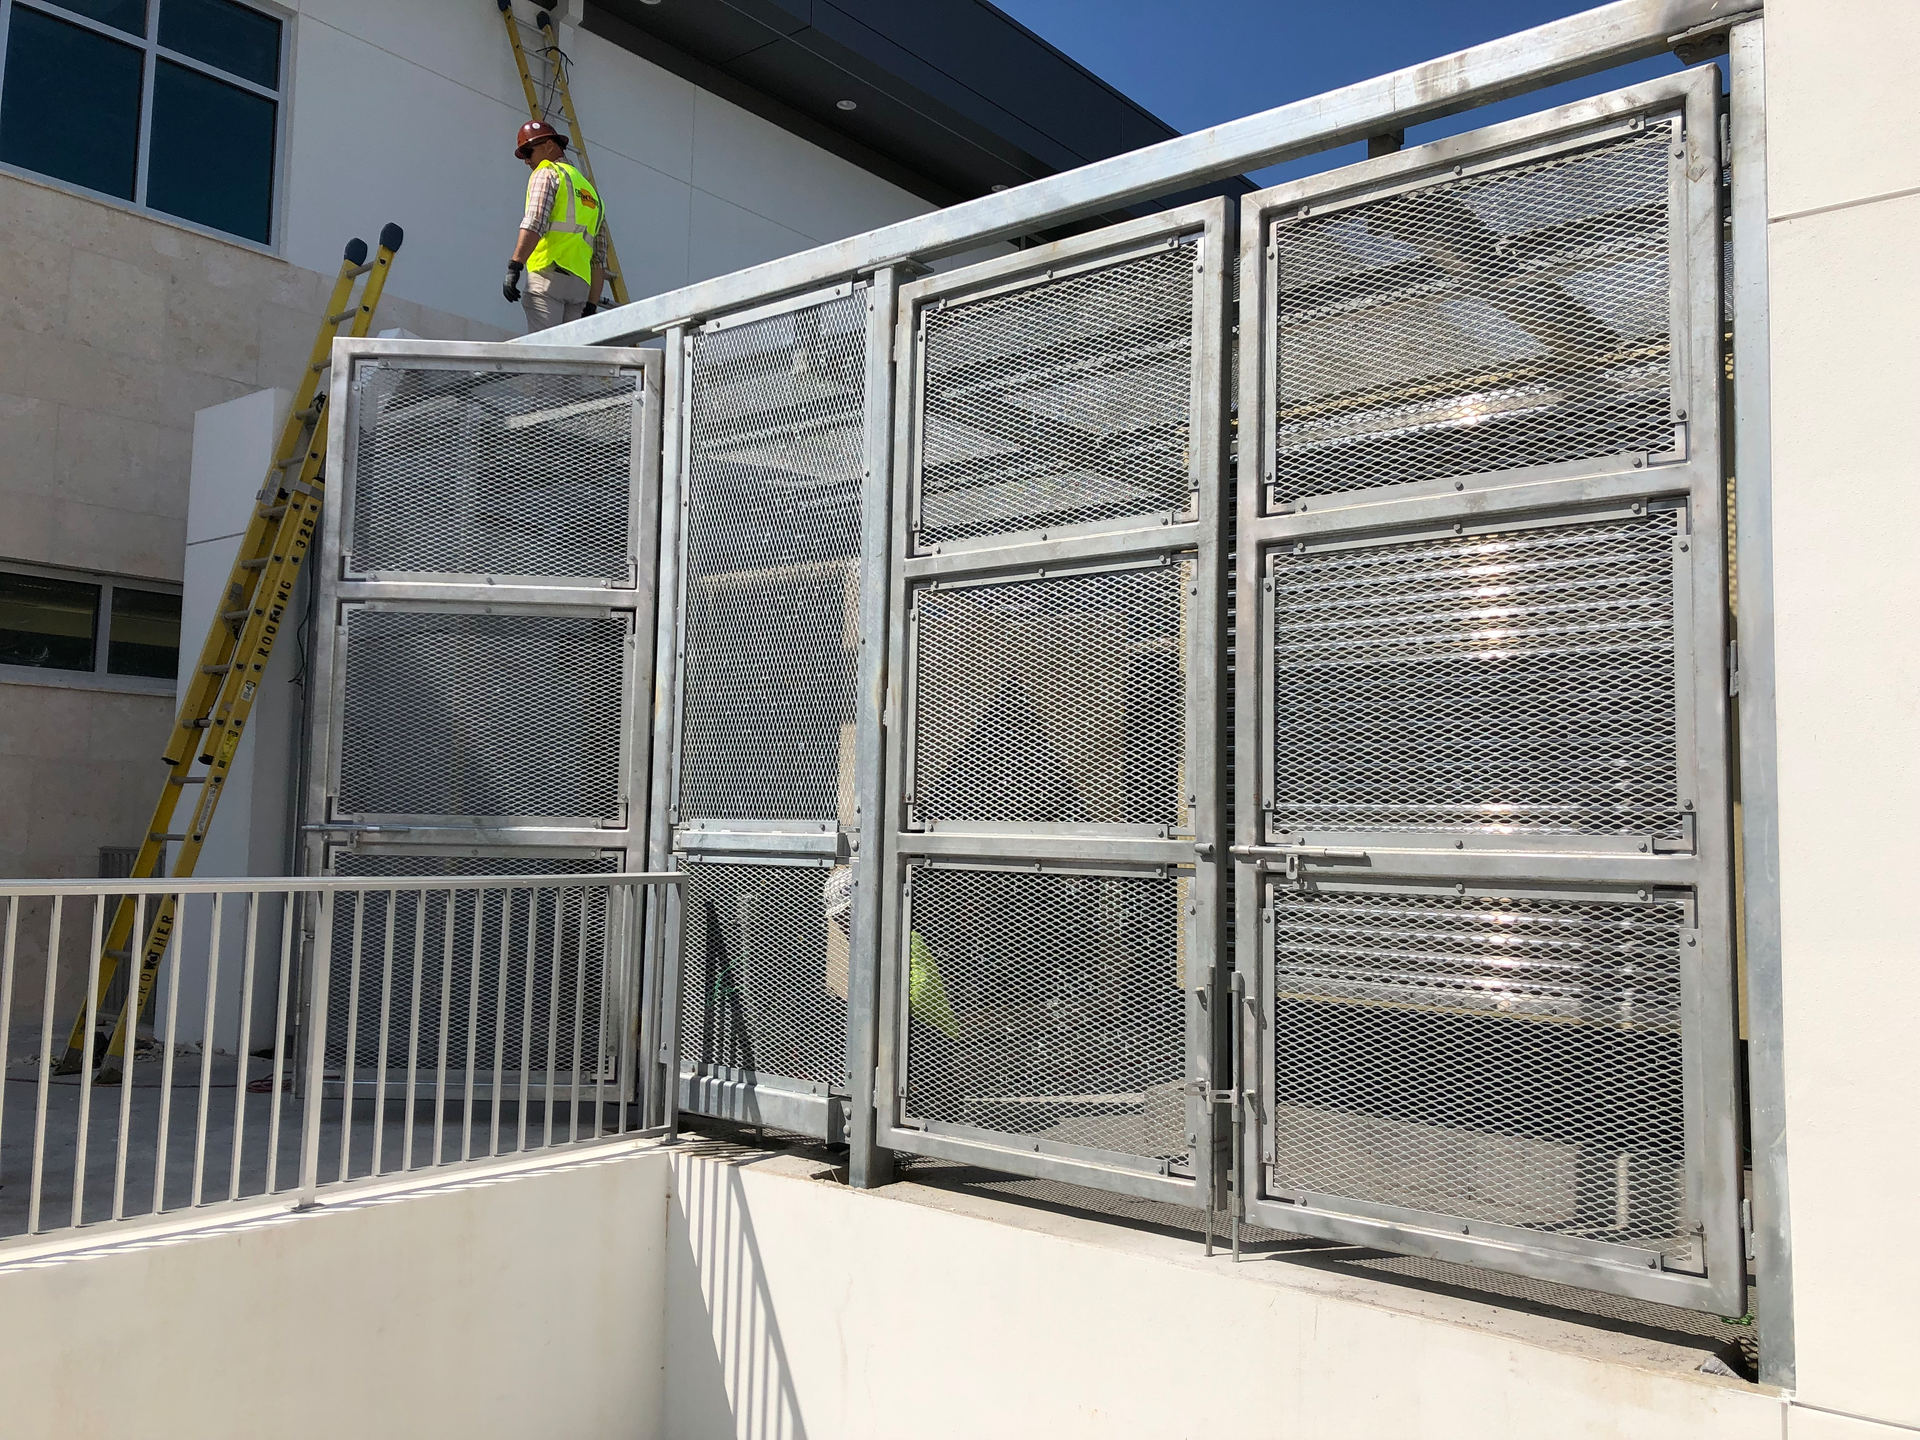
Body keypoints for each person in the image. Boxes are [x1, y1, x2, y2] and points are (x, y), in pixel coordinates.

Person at [501, 120, 608, 332]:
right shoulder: (591, 193)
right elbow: (599, 257)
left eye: (528, 152)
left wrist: (515, 266)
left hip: (547, 276)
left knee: (544, 347)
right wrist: (591, 304)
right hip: (579, 288)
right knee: (570, 350)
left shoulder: (547, 173)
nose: (527, 161)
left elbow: (535, 221)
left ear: (549, 146)